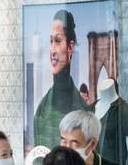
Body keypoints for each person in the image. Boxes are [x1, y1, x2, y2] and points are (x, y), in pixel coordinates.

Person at [32, 9, 87, 150]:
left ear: (70, 47)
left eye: (57, 41)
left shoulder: (84, 110)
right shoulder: (41, 110)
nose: (52, 50)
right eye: (51, 41)